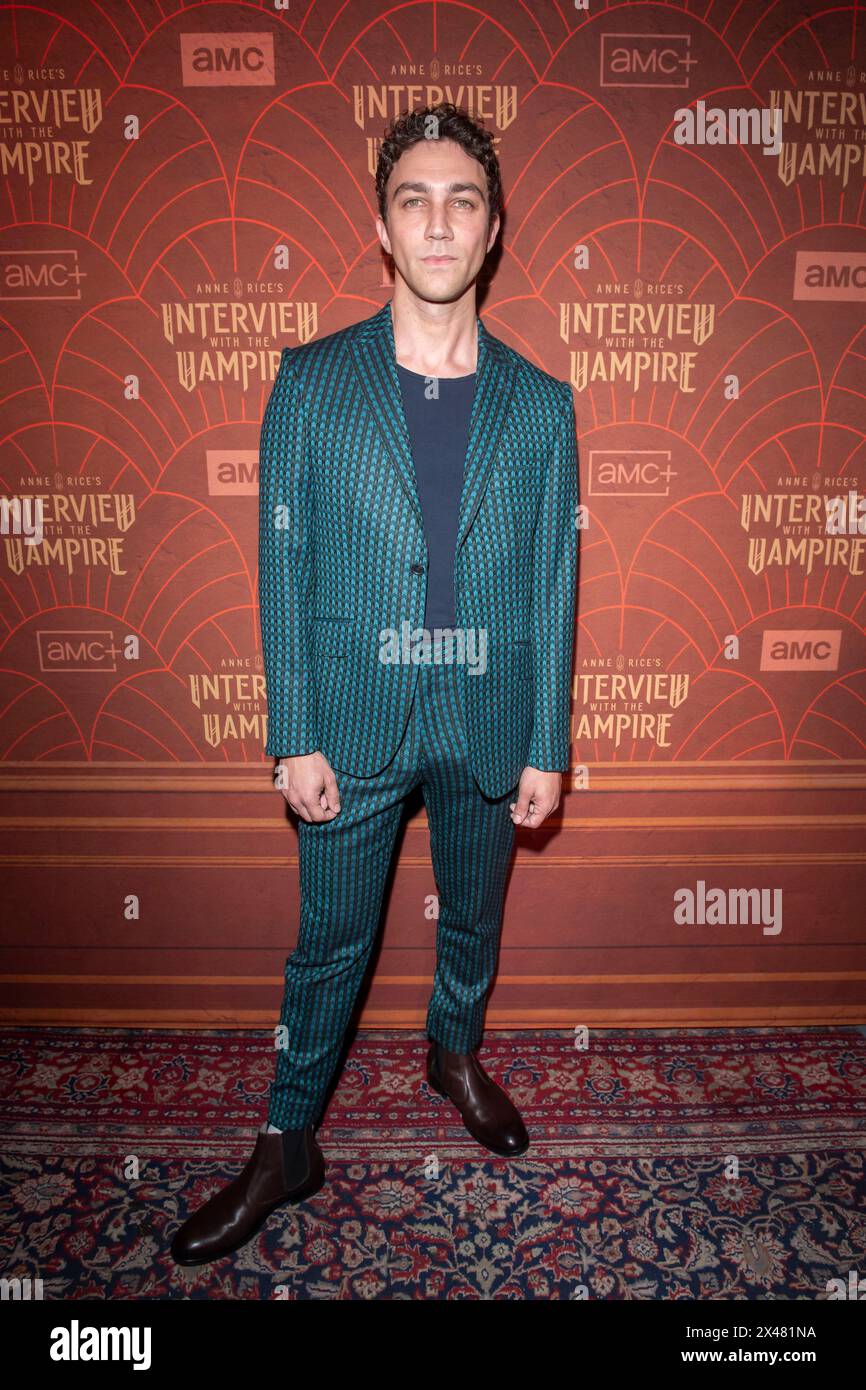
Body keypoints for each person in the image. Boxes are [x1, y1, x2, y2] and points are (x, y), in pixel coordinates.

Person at [170, 102, 579, 1267]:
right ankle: (286, 1136)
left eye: (462, 200)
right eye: (414, 199)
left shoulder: (544, 407)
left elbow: (554, 584)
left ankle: (452, 1053)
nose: (438, 221)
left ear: (492, 229)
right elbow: (281, 562)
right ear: (382, 228)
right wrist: (291, 728)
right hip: (350, 721)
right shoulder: (309, 380)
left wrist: (544, 741)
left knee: (476, 914)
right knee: (328, 944)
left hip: (489, 717)